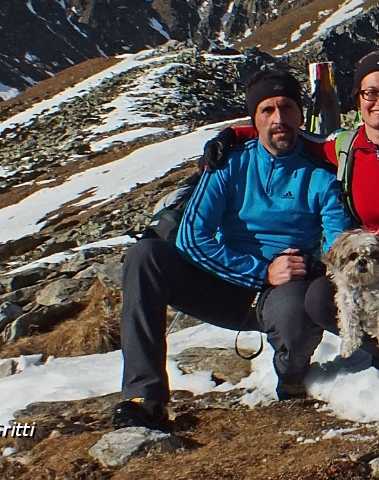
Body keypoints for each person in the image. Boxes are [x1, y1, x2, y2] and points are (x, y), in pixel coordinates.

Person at [202, 50, 379, 364]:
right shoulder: (343, 151)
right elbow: (285, 134)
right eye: (371, 92)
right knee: (319, 297)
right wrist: (230, 136)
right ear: (357, 99)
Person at [114, 69, 351, 431]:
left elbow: (338, 243)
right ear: (254, 120)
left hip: (283, 289)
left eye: (287, 107)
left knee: (294, 314)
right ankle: (143, 397)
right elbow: (193, 237)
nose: (279, 119)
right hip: (222, 284)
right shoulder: (229, 163)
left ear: (301, 114)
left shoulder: (320, 174)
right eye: (267, 110)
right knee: (144, 257)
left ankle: (291, 378)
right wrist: (260, 271)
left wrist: (317, 269)